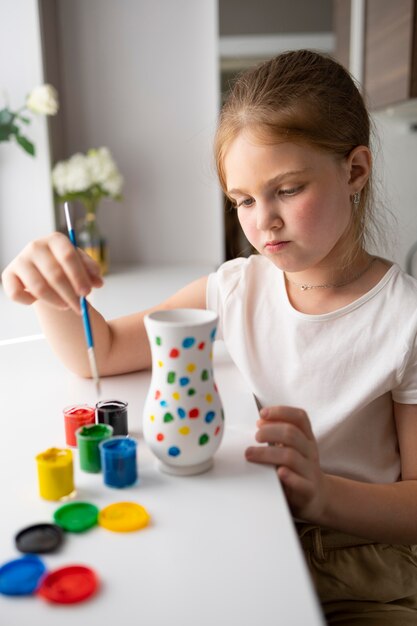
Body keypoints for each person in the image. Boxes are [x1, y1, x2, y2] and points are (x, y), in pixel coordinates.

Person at [2, 49, 417, 624]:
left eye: (288, 190)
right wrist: (50, 283)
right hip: (259, 529)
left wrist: (322, 493)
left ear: (355, 171)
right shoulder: (236, 288)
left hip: (366, 562)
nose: (261, 220)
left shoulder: (405, 321)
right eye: (243, 200)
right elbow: (100, 350)